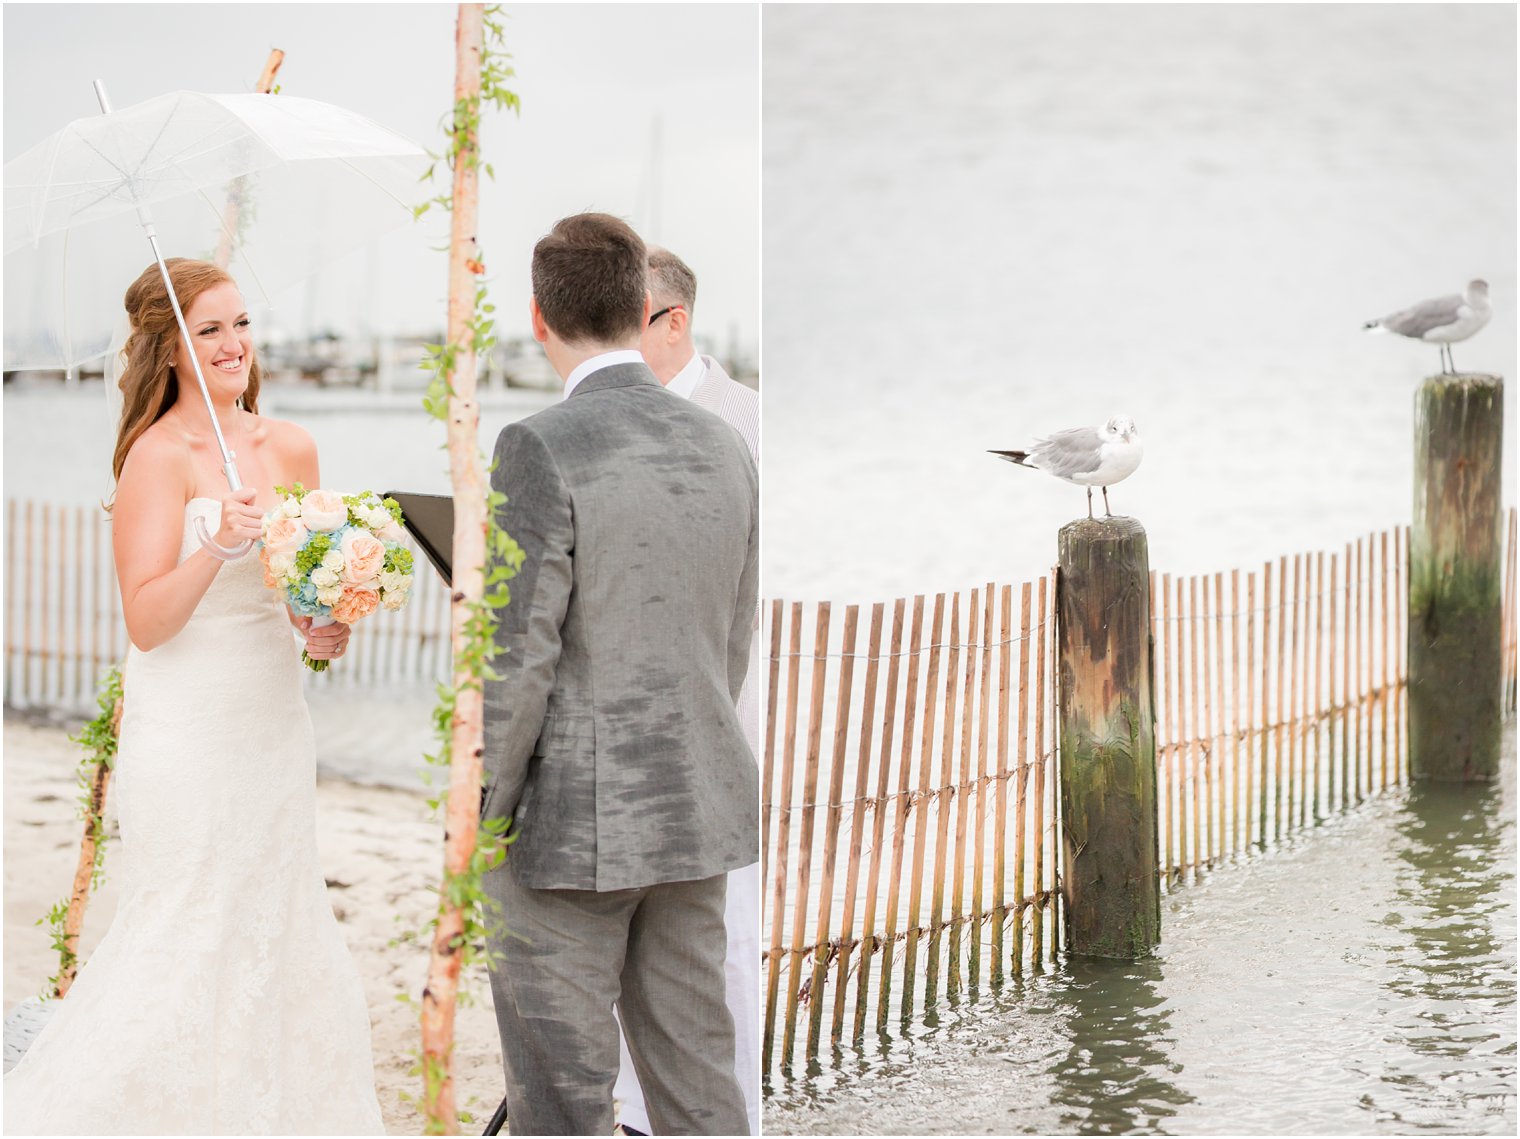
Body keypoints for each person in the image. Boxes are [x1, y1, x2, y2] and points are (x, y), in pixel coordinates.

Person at [3, 258, 384, 1135]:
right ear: (170, 346)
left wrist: (322, 629)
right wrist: (214, 549)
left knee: (275, 910)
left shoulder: (290, 446)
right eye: (210, 329)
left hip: (271, 723)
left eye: (241, 323)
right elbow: (145, 620)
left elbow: (299, 594)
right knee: (185, 918)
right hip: (185, 728)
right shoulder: (155, 456)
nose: (234, 344)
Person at [481, 213, 757, 1136]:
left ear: (538, 317)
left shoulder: (536, 445)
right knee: (702, 1089)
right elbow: (730, 638)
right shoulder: (728, 444)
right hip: (696, 805)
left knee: (562, 1094)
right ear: (645, 308)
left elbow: (519, 659)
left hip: (569, 836)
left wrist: (482, 811)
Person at [613, 246, 760, 1136]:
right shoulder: (598, 415)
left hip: (721, 705)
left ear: (673, 321)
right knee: (632, 924)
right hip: (625, 714)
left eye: (624, 324)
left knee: (721, 929)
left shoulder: (742, 421)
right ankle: (634, 1110)